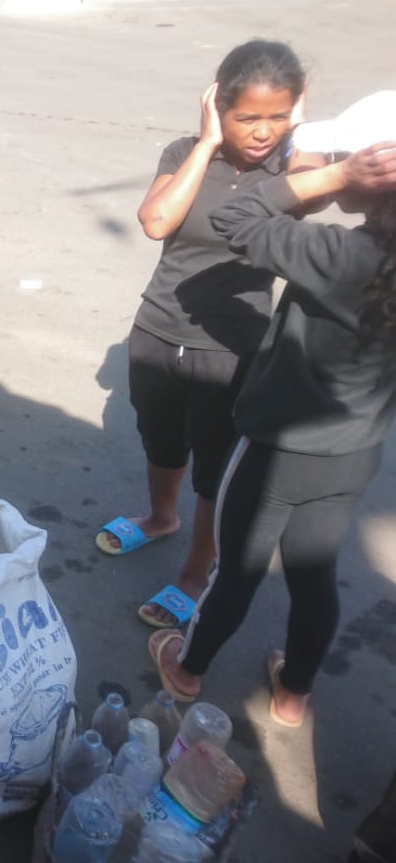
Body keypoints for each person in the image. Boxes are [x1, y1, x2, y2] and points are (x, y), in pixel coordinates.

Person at [150, 94, 396, 729]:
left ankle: (186, 667)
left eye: (347, 157)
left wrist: (338, 177)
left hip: (278, 451)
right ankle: (293, 694)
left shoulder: (343, 257)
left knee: (237, 571)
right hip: (355, 455)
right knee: (316, 575)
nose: (336, 160)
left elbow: (238, 214)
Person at [95, 41, 309, 632]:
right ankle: (162, 518)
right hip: (158, 329)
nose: (263, 130)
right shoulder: (185, 151)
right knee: (160, 440)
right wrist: (209, 143)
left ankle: (197, 566)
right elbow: (157, 221)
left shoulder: (293, 166)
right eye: (247, 117)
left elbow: (312, 198)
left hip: (233, 347)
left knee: (216, 465)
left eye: (278, 115)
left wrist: (302, 134)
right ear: (217, 105)